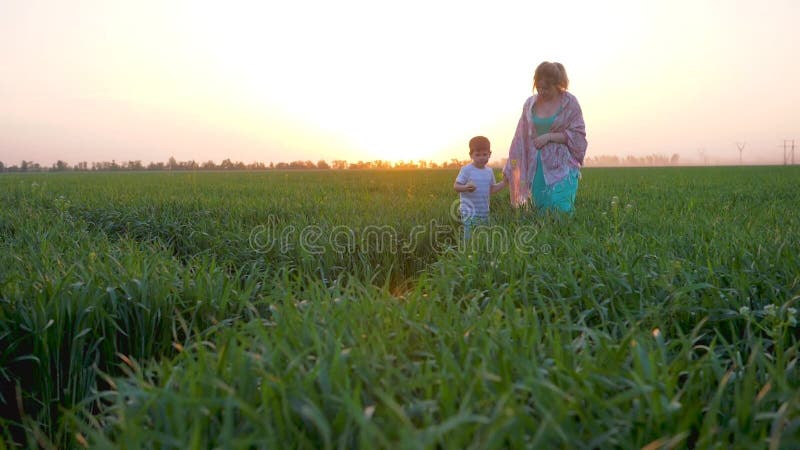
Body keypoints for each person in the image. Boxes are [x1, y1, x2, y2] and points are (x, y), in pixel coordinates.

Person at [503, 61, 587, 214]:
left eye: (546, 88)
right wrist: (512, 164)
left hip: (562, 165)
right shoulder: (529, 104)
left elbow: (578, 134)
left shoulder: (570, 102)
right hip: (536, 167)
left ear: (557, 84)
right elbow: (519, 137)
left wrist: (549, 137)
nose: (541, 91)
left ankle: (566, 236)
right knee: (541, 211)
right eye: (538, 87)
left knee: (562, 209)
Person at [454, 136, 507, 240]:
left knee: (482, 238)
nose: (481, 157)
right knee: (469, 237)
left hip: (484, 211)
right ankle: (467, 253)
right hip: (469, 212)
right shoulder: (466, 170)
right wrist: (465, 187)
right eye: (477, 155)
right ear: (471, 155)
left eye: (484, 154)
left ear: (489, 154)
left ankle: (480, 254)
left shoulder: (489, 171)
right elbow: (456, 186)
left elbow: (491, 189)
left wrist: (504, 183)